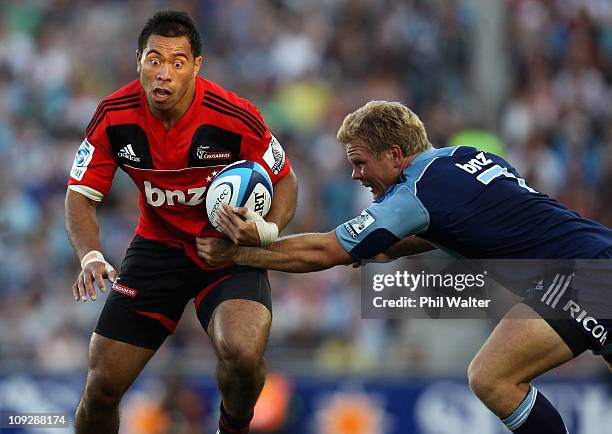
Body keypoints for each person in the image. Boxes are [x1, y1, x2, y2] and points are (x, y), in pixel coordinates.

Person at [197, 100, 612, 434]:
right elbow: (482, 220)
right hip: (591, 263)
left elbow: (326, 251)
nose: (356, 175)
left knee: (493, 378)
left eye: (361, 162)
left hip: (581, 278)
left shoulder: (416, 191)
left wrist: (240, 254)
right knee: (494, 375)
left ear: (395, 154)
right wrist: (396, 247)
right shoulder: (467, 156)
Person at [66, 10, 297, 434]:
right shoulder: (114, 115)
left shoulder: (233, 115)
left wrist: (263, 234)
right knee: (100, 388)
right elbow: (80, 196)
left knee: (243, 354)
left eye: (177, 62)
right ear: (138, 60)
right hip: (158, 249)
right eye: (154, 60)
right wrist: (90, 255)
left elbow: (285, 181)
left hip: (227, 251)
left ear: (196, 66)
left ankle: (232, 429)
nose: (164, 74)